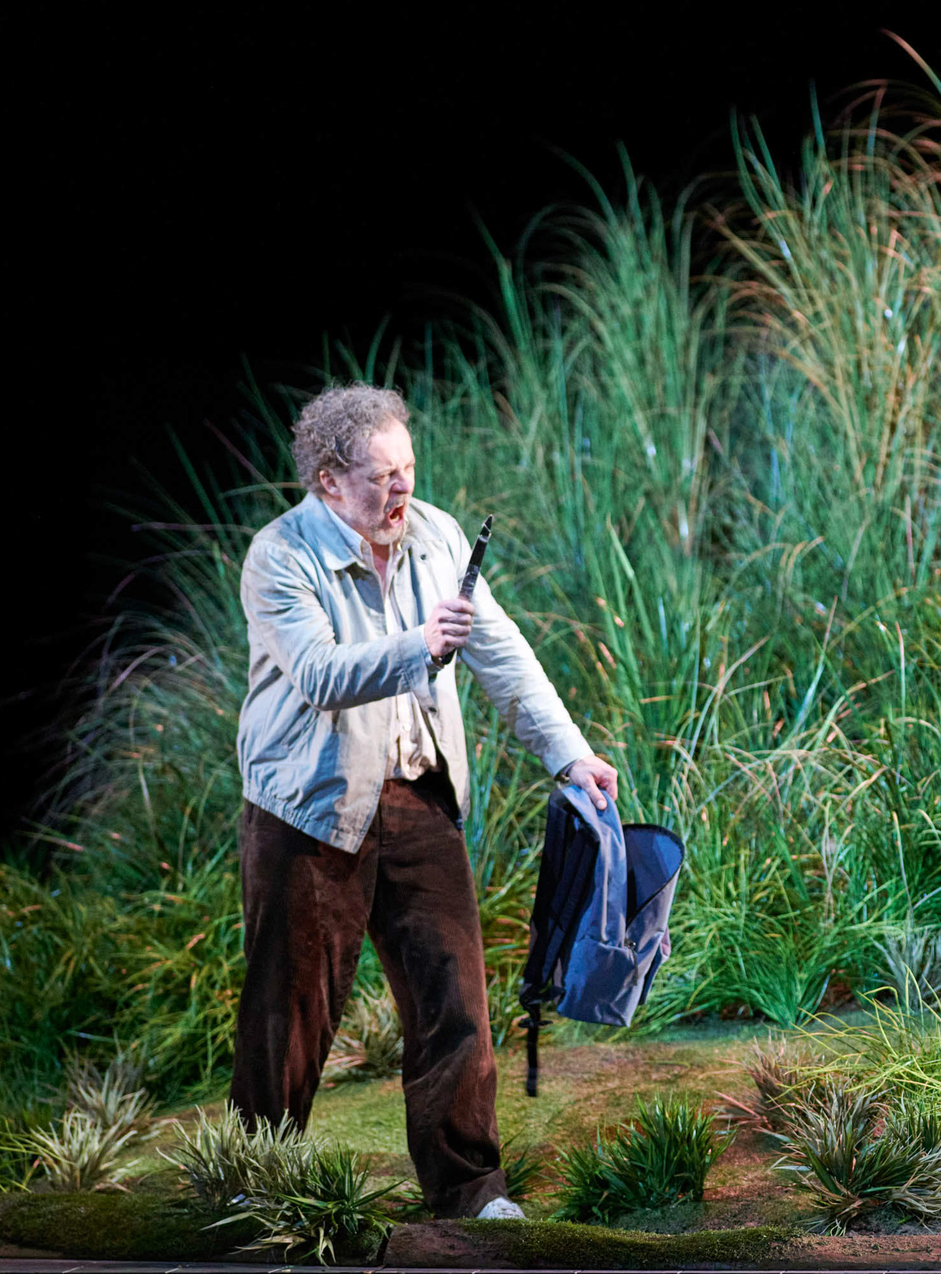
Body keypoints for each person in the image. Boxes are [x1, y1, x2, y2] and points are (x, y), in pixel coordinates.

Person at [229, 383, 620, 1220]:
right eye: (380, 477)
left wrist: (570, 754)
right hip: (308, 809)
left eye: (408, 468)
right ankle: (252, 1195)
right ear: (330, 481)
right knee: (288, 1016)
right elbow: (321, 674)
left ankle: (470, 1190)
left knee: (455, 997)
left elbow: (502, 654)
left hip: (416, 795)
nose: (401, 489)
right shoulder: (280, 555)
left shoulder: (436, 535)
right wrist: (419, 645)